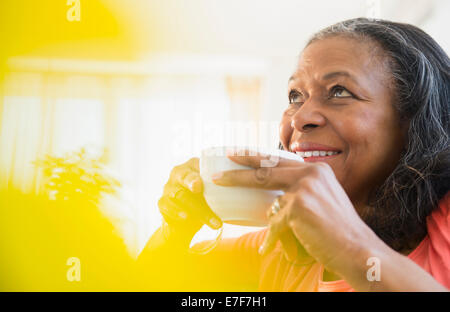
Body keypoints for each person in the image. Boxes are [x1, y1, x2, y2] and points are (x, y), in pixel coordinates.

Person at [136, 18, 450, 291]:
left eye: (339, 91)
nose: (299, 118)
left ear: (412, 119)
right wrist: (175, 228)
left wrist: (350, 247)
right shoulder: (278, 249)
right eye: (295, 96)